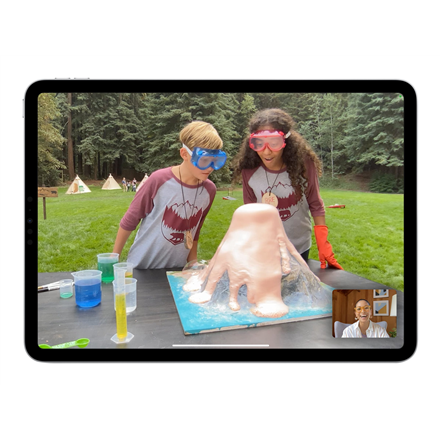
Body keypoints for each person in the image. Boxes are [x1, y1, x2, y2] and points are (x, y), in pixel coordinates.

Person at [233, 108, 342, 269]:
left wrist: (323, 242)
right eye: (259, 143)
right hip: (265, 246)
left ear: (285, 140)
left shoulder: (304, 164)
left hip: (299, 245)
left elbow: (315, 202)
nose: (267, 151)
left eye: (274, 143)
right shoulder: (249, 169)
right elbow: (250, 211)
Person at [113, 121, 226, 269]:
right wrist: (113, 258)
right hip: (142, 267)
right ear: (184, 154)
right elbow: (130, 220)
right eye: (204, 160)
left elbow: (195, 230)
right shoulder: (159, 180)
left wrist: (192, 263)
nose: (210, 167)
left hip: (177, 270)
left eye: (215, 160)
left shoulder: (209, 190)